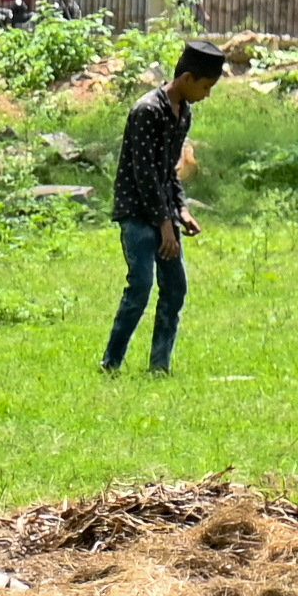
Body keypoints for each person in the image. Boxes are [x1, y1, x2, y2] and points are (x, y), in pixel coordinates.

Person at [103, 39, 225, 374]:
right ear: (186, 79)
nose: (207, 94)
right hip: (138, 213)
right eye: (205, 86)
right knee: (140, 287)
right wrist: (164, 224)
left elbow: (168, 170)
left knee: (175, 289)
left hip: (164, 213)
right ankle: (111, 362)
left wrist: (181, 210)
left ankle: (159, 366)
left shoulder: (183, 112)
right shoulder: (147, 111)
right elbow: (144, 174)